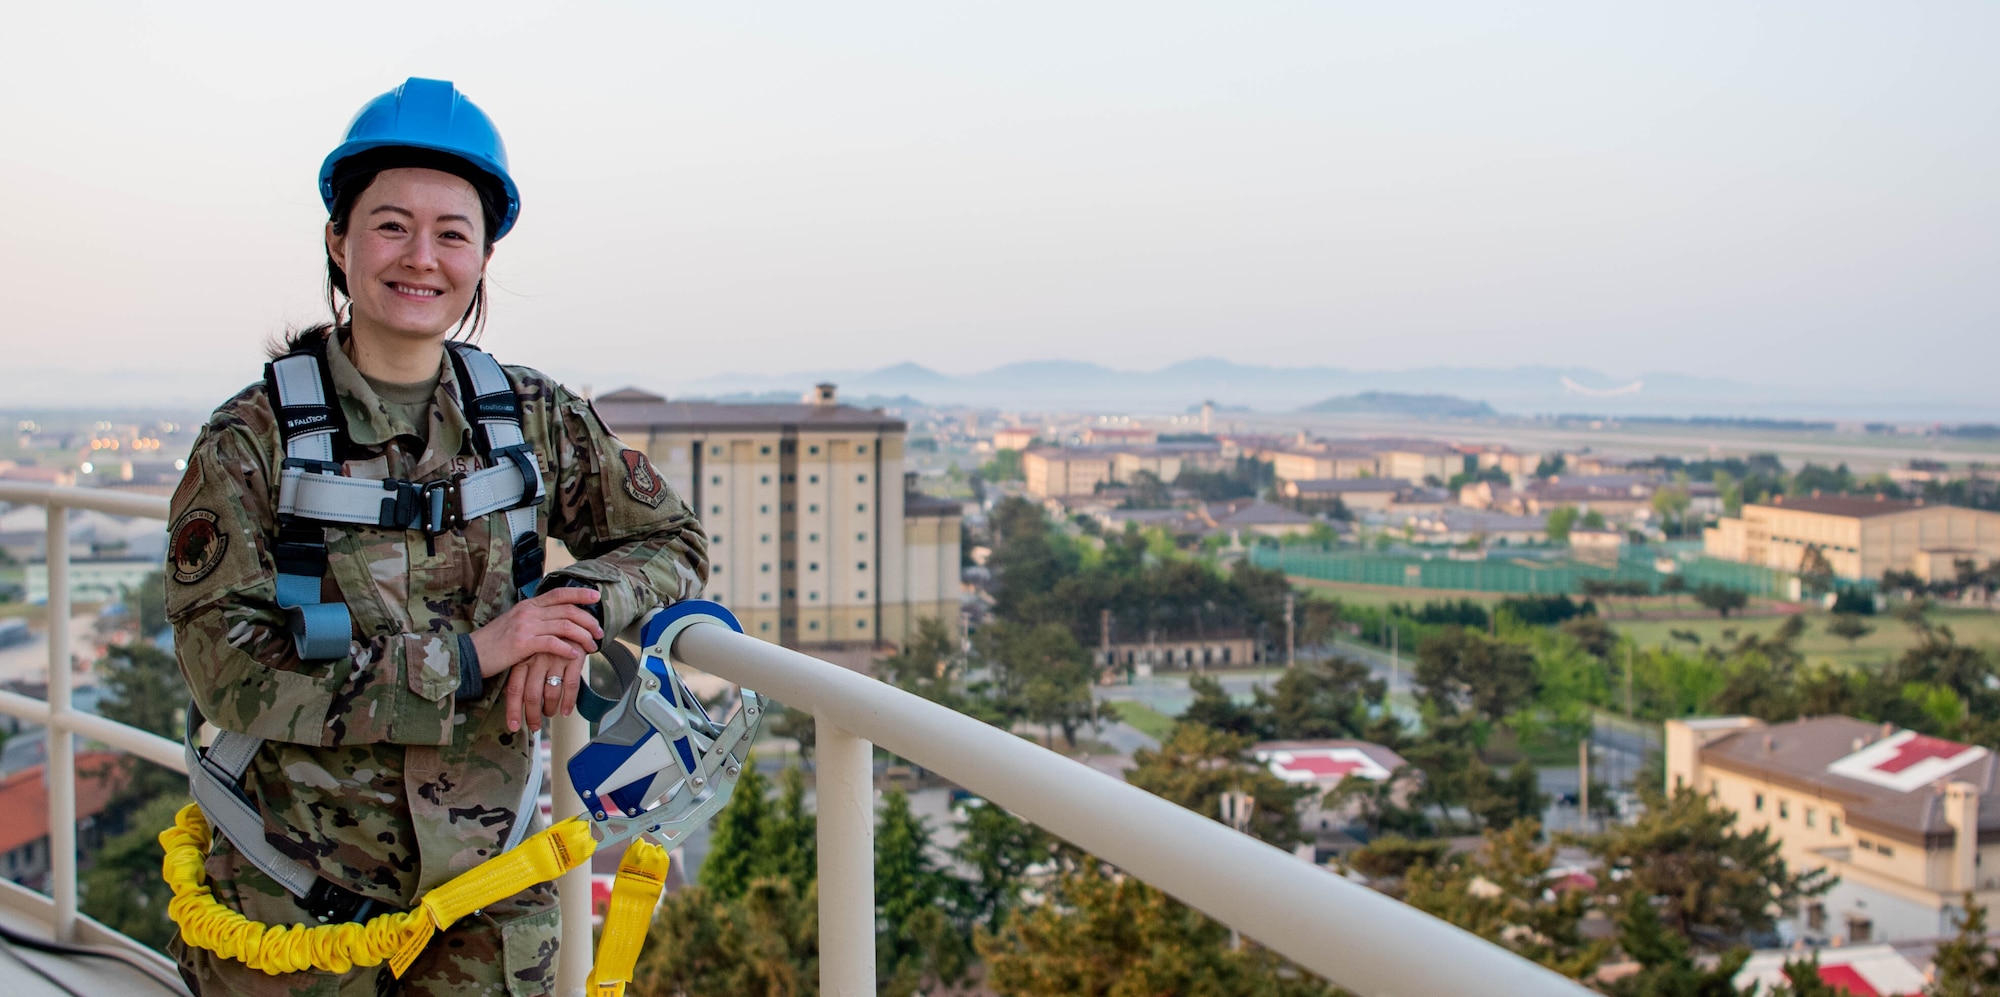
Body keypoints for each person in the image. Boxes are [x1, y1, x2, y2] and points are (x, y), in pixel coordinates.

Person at [165, 78, 707, 996]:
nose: (422, 257)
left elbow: (673, 542)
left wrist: (566, 615)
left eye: (453, 232)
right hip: (291, 901)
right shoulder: (251, 439)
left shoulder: (533, 416)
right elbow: (225, 665)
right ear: (338, 241)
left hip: (483, 911)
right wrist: (473, 656)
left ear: (484, 256)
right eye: (389, 225)